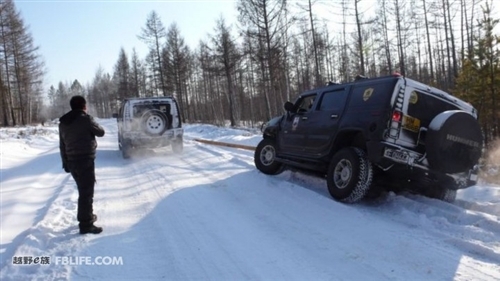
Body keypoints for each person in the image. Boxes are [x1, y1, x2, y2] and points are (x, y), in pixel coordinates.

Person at [59, 95, 105, 234]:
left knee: (83, 190)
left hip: (72, 161)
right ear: (84, 106)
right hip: (85, 160)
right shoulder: (86, 119)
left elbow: (62, 145)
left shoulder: (63, 122)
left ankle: (87, 216)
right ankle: (86, 225)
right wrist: (91, 120)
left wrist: (65, 162)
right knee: (86, 193)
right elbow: (101, 132)